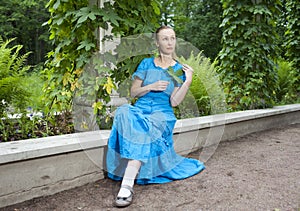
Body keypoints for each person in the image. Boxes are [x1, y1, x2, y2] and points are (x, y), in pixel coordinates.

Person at [106, 25, 205, 207]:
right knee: (123, 111)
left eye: (172, 38)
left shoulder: (178, 71)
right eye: (165, 38)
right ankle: (129, 180)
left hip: (162, 114)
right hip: (140, 109)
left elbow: (174, 102)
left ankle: (126, 185)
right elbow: (134, 92)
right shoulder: (146, 64)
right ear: (157, 43)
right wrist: (150, 87)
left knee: (147, 127)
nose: (169, 42)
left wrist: (188, 80)